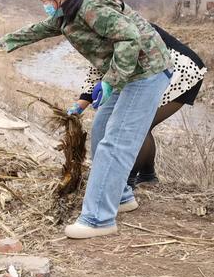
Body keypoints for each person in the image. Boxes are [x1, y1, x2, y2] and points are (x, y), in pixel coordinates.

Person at [0, 0, 173, 239]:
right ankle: (122, 196)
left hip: (146, 72)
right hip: (127, 73)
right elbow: (39, 30)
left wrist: (110, 81)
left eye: (45, 1)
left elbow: (129, 38)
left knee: (116, 143)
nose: (44, 7)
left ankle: (98, 218)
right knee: (102, 130)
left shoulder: (93, 7)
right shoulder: (67, 13)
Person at [68, 23, 207, 187]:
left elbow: (125, 61)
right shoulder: (99, 35)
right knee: (142, 125)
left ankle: (127, 181)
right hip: (167, 70)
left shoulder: (111, 25)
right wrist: (78, 107)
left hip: (180, 70)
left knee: (136, 125)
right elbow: (95, 74)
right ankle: (147, 177)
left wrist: (109, 82)